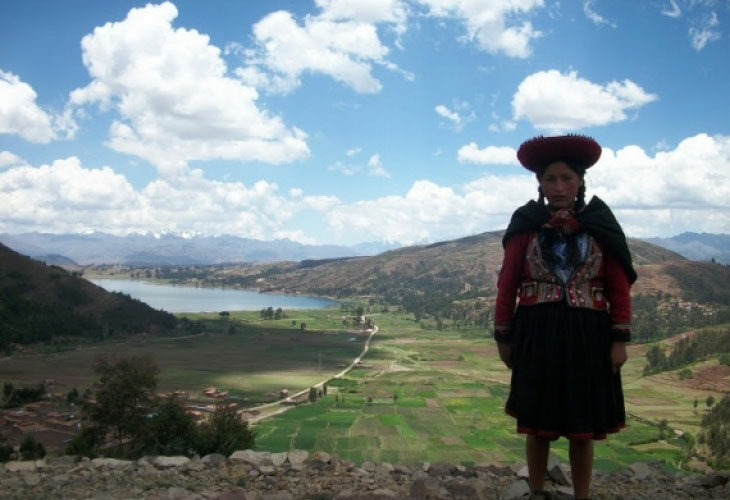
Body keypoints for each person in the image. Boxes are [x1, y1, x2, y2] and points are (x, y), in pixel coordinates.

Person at [494, 135, 636, 500]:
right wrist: (503, 335)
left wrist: (619, 339)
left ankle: (582, 495)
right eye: (550, 179)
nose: (558, 187)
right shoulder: (525, 227)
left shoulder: (600, 226)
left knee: (582, 426)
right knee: (537, 424)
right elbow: (507, 283)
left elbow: (619, 287)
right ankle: (537, 491)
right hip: (536, 335)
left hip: (588, 336)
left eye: (566, 178)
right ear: (539, 183)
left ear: (580, 181)